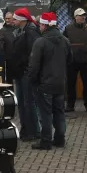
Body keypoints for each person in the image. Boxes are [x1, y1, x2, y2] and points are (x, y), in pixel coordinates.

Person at [29, 12, 72, 150]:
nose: (39, 27)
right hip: (60, 83)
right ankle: (60, 139)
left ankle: (46, 141)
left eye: (40, 24)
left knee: (45, 113)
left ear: (44, 25)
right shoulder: (65, 40)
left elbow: (34, 66)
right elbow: (70, 60)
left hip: (44, 84)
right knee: (59, 112)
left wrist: (33, 80)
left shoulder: (40, 42)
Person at [11, 7, 41, 141]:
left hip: (25, 73)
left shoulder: (30, 32)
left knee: (29, 103)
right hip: (20, 73)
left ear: (21, 20)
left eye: (15, 18)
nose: (12, 20)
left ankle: (33, 131)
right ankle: (26, 130)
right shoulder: (21, 31)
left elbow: (32, 54)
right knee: (23, 103)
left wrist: (28, 69)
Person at [64, 8, 87, 113]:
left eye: (84, 15)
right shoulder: (68, 28)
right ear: (75, 17)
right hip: (72, 60)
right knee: (71, 84)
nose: (83, 17)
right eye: (81, 15)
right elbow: (64, 43)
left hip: (85, 60)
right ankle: (70, 104)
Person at [0, 12, 16, 83]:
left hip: (16, 58)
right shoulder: (3, 30)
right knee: (9, 78)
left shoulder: (16, 28)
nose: (7, 20)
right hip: (8, 58)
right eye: (6, 18)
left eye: (9, 18)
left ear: (12, 19)